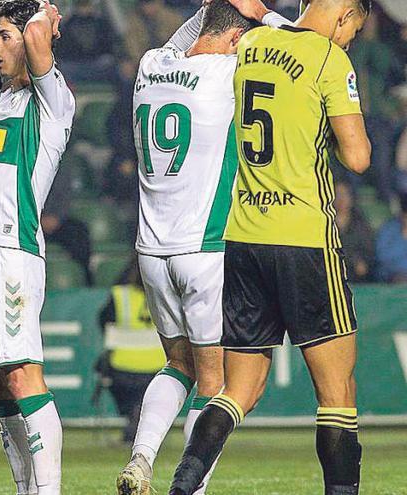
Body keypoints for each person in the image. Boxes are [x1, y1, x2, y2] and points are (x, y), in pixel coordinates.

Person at [168, 0, 373, 493]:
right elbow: (360, 157)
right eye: (353, 31)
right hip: (305, 239)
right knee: (337, 394)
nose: (349, 41)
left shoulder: (254, 45)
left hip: (244, 238)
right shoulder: (330, 59)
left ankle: (180, 486)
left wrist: (261, 13)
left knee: (236, 391)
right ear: (344, 16)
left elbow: (278, 32)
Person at [115, 1, 290, 493]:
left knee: (177, 364)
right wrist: (262, 14)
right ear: (238, 40)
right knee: (215, 383)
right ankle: (191, 489)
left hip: (151, 251)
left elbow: (195, 31)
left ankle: (141, 458)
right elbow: (302, 43)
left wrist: (218, 7)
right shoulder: (227, 74)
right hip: (206, 248)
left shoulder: (152, 65)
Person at [0, 1, 76, 493]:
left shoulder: (51, 101)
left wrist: (35, 20)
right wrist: (5, 18)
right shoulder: (3, 94)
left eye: (7, 38)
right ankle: (26, 487)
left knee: (24, 375)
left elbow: (31, 39)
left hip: (12, 251)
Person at [94, 260, 166, 444]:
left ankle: (133, 416)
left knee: (112, 377)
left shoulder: (120, 295)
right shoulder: (164, 295)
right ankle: (141, 418)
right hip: (158, 368)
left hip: (122, 368)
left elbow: (104, 320)